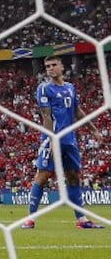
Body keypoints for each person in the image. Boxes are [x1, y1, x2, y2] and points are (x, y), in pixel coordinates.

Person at [21, 56, 105, 229]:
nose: (50, 68)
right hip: (53, 138)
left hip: (70, 139)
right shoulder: (44, 88)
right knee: (43, 176)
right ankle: (30, 218)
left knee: (73, 178)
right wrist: (51, 138)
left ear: (62, 67)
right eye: (47, 66)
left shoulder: (70, 88)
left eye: (53, 65)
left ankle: (81, 220)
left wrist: (93, 129)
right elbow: (46, 115)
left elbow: (77, 111)